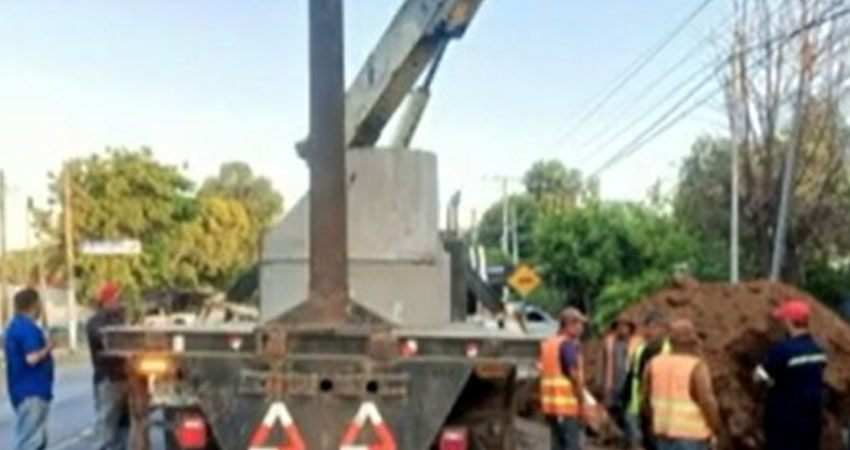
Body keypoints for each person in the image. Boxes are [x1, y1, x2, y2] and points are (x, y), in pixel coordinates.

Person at [754, 299, 826, 450]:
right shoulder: (818, 350)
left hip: (784, 422)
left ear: (789, 322)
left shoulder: (783, 350)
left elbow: (759, 376)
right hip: (812, 421)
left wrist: (766, 381)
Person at [643, 318, 722, 450]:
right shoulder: (696, 366)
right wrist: (715, 426)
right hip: (693, 436)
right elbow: (707, 401)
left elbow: (645, 402)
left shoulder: (654, 364)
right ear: (692, 341)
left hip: (662, 434)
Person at [4, 287, 54, 450]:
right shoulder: (27, 328)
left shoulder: (13, 327)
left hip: (21, 389)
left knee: (35, 439)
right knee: (31, 441)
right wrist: (48, 348)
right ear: (33, 305)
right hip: (32, 390)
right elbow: (31, 358)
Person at [86, 282, 130, 450]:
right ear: (107, 301)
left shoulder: (120, 319)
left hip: (125, 378)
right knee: (107, 426)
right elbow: (107, 341)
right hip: (108, 379)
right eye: (116, 299)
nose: (119, 302)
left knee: (124, 426)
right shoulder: (96, 323)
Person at [540, 307, 589, 450]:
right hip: (567, 408)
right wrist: (582, 403)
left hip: (551, 408)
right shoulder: (567, 345)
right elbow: (574, 376)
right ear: (570, 325)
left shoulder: (548, 344)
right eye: (580, 324)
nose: (582, 328)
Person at [622, 310, 671, 450]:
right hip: (636, 404)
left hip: (660, 406)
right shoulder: (640, 350)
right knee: (636, 440)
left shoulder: (670, 349)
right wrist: (626, 400)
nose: (651, 331)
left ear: (663, 328)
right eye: (649, 327)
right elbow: (632, 376)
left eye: (656, 327)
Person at [597, 316, 642, 448]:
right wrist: (600, 383)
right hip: (611, 384)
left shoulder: (638, 343)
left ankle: (631, 441)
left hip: (631, 385)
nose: (622, 329)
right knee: (609, 412)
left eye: (625, 326)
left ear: (630, 328)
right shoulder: (609, 342)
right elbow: (601, 364)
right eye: (619, 326)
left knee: (630, 414)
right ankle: (609, 437)